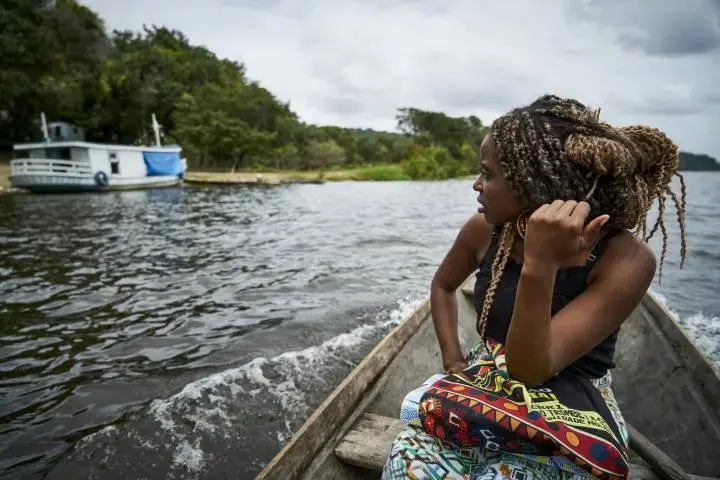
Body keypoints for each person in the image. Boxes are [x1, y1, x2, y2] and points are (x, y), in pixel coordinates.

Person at [382, 94, 686, 480]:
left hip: (573, 398)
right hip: (484, 375)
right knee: (407, 467)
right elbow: (443, 285)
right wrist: (454, 363)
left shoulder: (626, 259)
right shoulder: (484, 230)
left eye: (488, 174)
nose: (477, 185)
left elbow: (529, 370)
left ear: (536, 183)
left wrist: (541, 264)